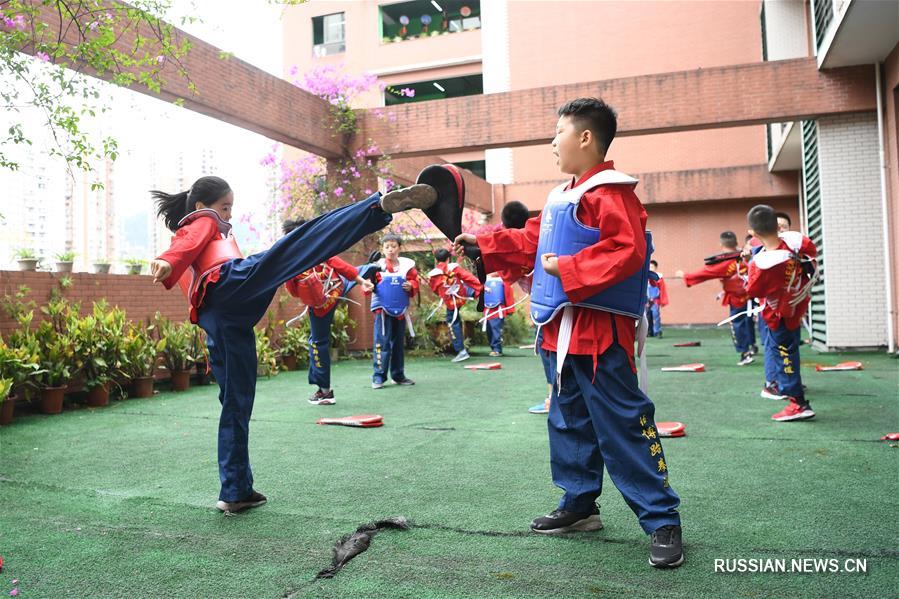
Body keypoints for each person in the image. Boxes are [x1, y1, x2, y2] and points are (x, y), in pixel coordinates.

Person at [453, 98, 683, 568]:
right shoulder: (564, 196)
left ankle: (663, 519)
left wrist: (569, 267)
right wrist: (484, 242)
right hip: (558, 332)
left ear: (585, 138)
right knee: (567, 419)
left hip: (600, 335)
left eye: (558, 132)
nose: (552, 142)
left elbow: (628, 252)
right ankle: (580, 505)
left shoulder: (613, 194)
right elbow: (532, 241)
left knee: (626, 425)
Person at [150, 176, 438, 513]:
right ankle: (375, 208)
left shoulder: (211, 230)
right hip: (229, 287)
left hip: (224, 323)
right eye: (224, 207)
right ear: (201, 207)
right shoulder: (202, 221)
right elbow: (189, 239)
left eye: (230, 208)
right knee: (296, 246)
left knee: (235, 404)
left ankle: (236, 490)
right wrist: (169, 259)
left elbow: (191, 248)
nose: (228, 215)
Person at [281, 218, 375, 405]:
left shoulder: (293, 261)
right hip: (338, 288)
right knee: (355, 274)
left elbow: (292, 290)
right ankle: (372, 267)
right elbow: (341, 266)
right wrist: (360, 280)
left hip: (321, 304)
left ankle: (325, 391)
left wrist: (304, 291)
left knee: (317, 342)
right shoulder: (319, 249)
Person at [745, 204, 818, 421]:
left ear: (753, 233)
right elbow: (810, 250)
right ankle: (795, 398)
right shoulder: (796, 240)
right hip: (797, 305)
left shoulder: (762, 264)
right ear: (777, 225)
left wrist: (753, 256)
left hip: (779, 314)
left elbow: (753, 290)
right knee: (790, 350)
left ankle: (798, 403)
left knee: (784, 354)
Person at [676, 231, 756, 365]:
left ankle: (745, 353)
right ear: (735, 242)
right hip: (751, 295)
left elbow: (706, 272)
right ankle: (752, 346)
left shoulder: (726, 263)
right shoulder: (744, 255)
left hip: (738, 298)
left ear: (721, 244)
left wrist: (684, 275)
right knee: (748, 322)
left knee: (737, 324)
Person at [364, 233, 420, 389]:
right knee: (381, 343)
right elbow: (366, 286)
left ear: (399, 248)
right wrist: (368, 285)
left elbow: (415, 281)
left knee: (398, 344)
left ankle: (398, 375)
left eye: (394, 246)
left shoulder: (407, 266)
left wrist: (411, 285)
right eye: (387, 246)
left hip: (400, 311)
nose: (391, 249)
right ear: (382, 249)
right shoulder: (376, 266)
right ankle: (378, 377)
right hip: (383, 311)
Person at [427, 247, 482, 362]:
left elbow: (435, 289)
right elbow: (468, 277)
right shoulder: (454, 268)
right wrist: (480, 287)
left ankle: (461, 351)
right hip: (460, 296)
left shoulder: (433, 275)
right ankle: (477, 294)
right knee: (466, 287)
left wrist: (443, 294)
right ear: (448, 258)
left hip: (450, 301)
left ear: (436, 260)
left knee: (453, 322)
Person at [482, 273, 516, 357]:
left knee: (496, 330)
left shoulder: (503, 282)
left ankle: (497, 349)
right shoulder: (485, 280)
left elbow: (508, 295)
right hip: (487, 310)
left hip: (498, 310)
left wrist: (510, 309)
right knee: (489, 331)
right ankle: (494, 348)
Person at [646, 260, 668, 337]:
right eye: (649, 266)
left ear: (655, 268)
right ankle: (649, 331)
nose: (650, 268)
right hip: (647, 301)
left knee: (656, 315)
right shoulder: (646, 277)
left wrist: (662, 300)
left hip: (655, 300)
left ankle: (657, 331)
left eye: (652, 267)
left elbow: (662, 289)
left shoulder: (658, 277)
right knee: (647, 316)